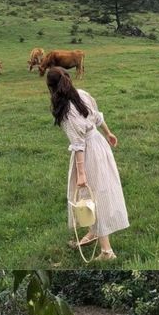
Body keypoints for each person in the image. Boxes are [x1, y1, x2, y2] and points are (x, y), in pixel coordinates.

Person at [46, 67, 129, 260]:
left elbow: (78, 144)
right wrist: (108, 133)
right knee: (95, 193)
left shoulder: (66, 111)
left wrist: (81, 173)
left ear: (51, 87)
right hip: (99, 143)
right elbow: (97, 117)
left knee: (93, 195)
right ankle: (94, 232)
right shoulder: (81, 94)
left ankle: (107, 251)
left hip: (89, 152)